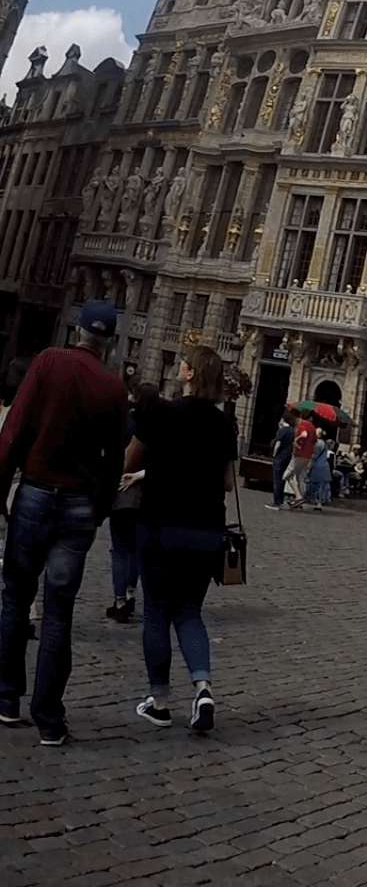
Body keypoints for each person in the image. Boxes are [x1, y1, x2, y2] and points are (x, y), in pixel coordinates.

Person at [0, 300, 129, 743]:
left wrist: (1, 490)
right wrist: (100, 510)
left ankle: (5, 697)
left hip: (35, 494)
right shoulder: (114, 387)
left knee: (16, 598)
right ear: (109, 342)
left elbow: (14, 429)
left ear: (76, 330)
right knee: (59, 612)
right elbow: (114, 461)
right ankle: (50, 718)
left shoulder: (48, 362)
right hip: (79, 505)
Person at [127, 345, 239, 733]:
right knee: (190, 611)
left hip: (161, 523)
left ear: (190, 375)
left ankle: (159, 702)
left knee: (157, 612)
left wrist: (144, 472)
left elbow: (130, 459)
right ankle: (203, 688)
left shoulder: (161, 413)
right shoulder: (225, 424)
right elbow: (226, 483)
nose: (178, 368)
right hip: (206, 529)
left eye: (182, 365)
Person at [106, 381, 161, 624]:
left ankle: (119, 601)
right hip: (150, 495)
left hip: (124, 490)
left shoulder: (128, 420)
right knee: (138, 550)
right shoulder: (162, 424)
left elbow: (119, 454)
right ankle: (130, 593)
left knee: (120, 549)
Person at [284, 417, 317, 508]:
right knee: (301, 478)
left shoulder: (303, 424)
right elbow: (314, 442)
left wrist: (296, 439)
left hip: (299, 454)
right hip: (308, 456)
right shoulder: (313, 427)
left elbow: (304, 434)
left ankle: (298, 497)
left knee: (287, 476)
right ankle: (300, 502)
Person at [266, 413, 293, 511]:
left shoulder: (282, 430)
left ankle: (276, 502)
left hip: (280, 457)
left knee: (277, 480)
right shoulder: (292, 431)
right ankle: (281, 500)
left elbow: (278, 443)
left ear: (282, 420)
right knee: (282, 480)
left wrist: (274, 454)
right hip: (288, 457)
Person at [305, 432, 333, 513]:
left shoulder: (318, 444)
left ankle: (309, 500)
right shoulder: (324, 443)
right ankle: (319, 503)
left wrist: (309, 467)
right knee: (322, 485)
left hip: (318, 465)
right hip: (324, 465)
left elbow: (314, 455)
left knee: (314, 484)